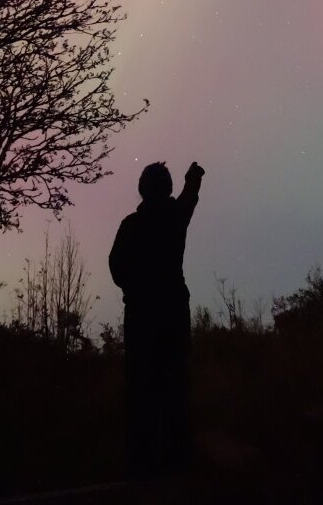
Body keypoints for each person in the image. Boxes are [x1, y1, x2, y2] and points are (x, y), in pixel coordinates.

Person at [109, 160, 205, 477]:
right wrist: (193, 178)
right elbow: (189, 198)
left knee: (141, 390)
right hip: (173, 315)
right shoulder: (175, 218)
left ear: (142, 188)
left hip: (142, 319)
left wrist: (136, 289)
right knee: (175, 387)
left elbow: (117, 268)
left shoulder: (131, 225)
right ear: (166, 188)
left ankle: (141, 464)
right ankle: (178, 460)